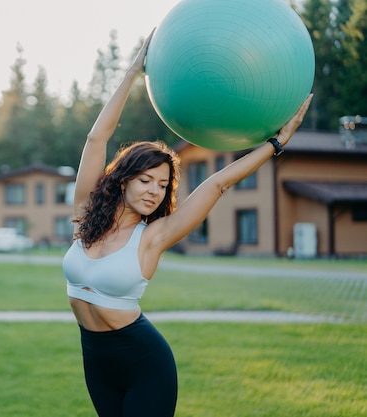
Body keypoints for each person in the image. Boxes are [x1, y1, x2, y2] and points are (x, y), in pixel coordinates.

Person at [62, 30, 313, 417]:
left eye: (163, 185)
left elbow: (218, 184)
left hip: (145, 363)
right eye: (146, 180)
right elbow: (97, 139)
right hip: (95, 361)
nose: (154, 191)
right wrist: (132, 72)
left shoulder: (153, 236)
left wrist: (275, 144)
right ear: (122, 179)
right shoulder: (84, 214)